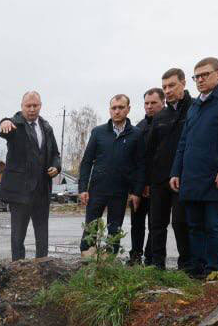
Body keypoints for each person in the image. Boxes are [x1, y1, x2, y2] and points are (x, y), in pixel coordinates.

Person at [170, 57, 218, 277]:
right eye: (197, 76)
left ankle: (212, 270)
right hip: (191, 176)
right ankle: (197, 269)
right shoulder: (195, 105)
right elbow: (184, 142)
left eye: (205, 74)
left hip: (216, 176)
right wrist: (176, 171)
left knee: (213, 225)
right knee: (194, 226)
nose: (200, 79)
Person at [0, 91, 62, 260]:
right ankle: (18, 267)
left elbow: (55, 153)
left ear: (40, 106)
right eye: (28, 106)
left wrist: (56, 166)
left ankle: (43, 265)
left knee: (42, 233)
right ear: (22, 106)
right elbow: (2, 129)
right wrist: (3, 122)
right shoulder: (14, 125)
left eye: (35, 105)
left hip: (42, 190)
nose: (32, 109)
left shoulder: (46, 127)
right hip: (20, 191)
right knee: (18, 235)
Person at [140, 69, 194, 270]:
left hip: (183, 178)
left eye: (172, 85)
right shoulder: (161, 116)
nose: (168, 90)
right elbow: (150, 151)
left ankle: (185, 265)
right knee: (156, 224)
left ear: (183, 83)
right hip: (159, 180)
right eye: (164, 87)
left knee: (180, 223)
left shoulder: (194, 108)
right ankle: (157, 264)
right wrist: (147, 181)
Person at [78, 94, 142, 254]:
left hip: (120, 191)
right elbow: (86, 162)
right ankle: (87, 259)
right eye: (114, 108)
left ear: (128, 109)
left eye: (121, 107)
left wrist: (136, 191)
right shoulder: (98, 132)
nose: (117, 111)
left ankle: (109, 261)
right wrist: (83, 188)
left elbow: (140, 166)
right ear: (109, 110)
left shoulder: (136, 134)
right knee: (91, 227)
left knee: (114, 229)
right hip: (97, 190)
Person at [127, 87, 165, 264]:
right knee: (137, 222)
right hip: (138, 185)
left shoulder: (167, 124)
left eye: (153, 103)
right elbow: (135, 159)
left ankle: (150, 257)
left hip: (159, 184)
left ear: (163, 102)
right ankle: (135, 256)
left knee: (155, 224)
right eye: (146, 103)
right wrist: (137, 186)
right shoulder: (139, 128)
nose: (149, 107)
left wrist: (150, 183)